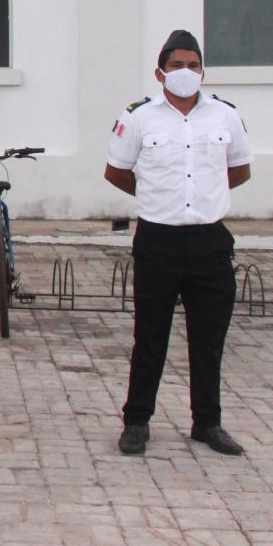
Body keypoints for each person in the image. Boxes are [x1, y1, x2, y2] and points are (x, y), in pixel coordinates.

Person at [105, 29, 252, 457]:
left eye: (193, 65)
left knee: (209, 339)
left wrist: (204, 197)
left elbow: (239, 170)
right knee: (150, 336)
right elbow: (116, 171)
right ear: (159, 72)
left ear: (202, 70)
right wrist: (157, 195)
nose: (185, 73)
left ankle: (207, 422)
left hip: (210, 241)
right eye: (176, 66)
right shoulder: (138, 117)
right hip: (158, 240)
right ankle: (136, 421)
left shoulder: (224, 116)